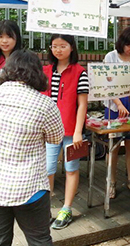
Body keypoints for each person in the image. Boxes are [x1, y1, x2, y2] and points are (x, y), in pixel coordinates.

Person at [0, 50, 64, 246]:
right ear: (37, 73)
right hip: (31, 189)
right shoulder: (45, 104)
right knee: (39, 241)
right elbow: (56, 138)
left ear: (7, 70)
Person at [42, 34, 89, 230]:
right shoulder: (45, 71)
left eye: (63, 46)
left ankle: (67, 208)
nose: (58, 49)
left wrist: (78, 131)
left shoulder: (80, 72)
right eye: (54, 46)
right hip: (49, 130)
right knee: (47, 169)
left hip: (71, 131)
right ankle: (45, 209)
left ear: (72, 48)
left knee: (71, 168)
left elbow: (82, 105)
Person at [103, 26, 130, 198]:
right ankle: (111, 181)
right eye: (129, 45)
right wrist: (118, 103)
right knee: (113, 145)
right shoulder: (111, 56)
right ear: (122, 43)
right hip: (114, 105)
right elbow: (106, 83)